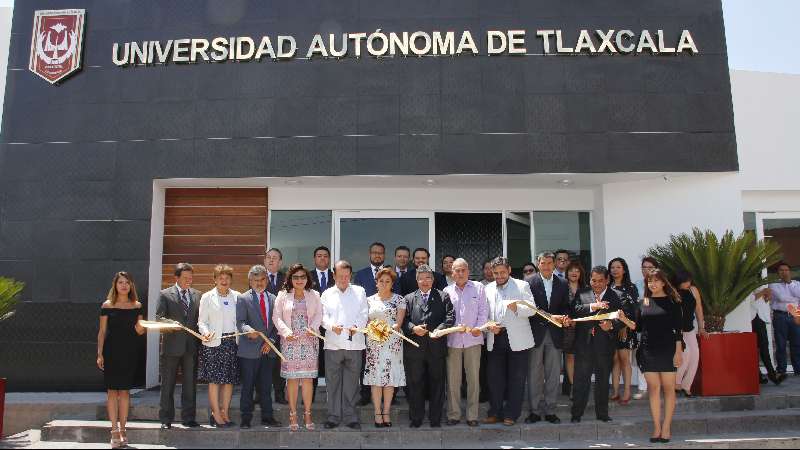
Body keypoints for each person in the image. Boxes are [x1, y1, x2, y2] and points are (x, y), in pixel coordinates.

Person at [625, 269, 684, 443]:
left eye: (656, 281)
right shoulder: (643, 302)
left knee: (668, 388)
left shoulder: (673, 301)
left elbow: (678, 329)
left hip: (668, 349)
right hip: (647, 350)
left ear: (664, 282)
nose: (653, 284)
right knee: (654, 388)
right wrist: (623, 319)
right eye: (649, 281)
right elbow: (637, 327)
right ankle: (657, 428)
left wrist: (678, 351)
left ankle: (666, 428)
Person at [484, 257, 536, 427]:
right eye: (496, 273)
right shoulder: (487, 288)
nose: (499, 276)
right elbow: (484, 313)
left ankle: (511, 414)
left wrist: (516, 307)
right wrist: (489, 325)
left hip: (517, 338)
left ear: (509, 270)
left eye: (502, 272)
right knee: (494, 378)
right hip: (495, 337)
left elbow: (532, 309)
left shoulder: (522, 285)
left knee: (517, 378)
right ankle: (495, 412)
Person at [97, 272, 145, 449]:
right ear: (115, 285)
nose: (124, 285)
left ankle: (123, 429)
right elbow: (102, 332)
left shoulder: (137, 305)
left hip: (130, 353)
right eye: (121, 282)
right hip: (111, 352)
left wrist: (144, 327)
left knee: (124, 392)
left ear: (131, 285)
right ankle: (114, 431)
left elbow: (139, 331)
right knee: (112, 392)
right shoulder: (107, 305)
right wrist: (100, 353)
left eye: (127, 282)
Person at [403, 265, 455, 428]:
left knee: (437, 383)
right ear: (416, 280)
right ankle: (416, 417)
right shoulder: (408, 298)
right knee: (415, 383)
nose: (425, 281)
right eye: (421, 278)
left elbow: (450, 316)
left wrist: (439, 330)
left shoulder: (443, 296)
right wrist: (412, 328)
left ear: (433, 280)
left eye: (428, 278)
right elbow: (402, 321)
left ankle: (435, 418)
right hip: (415, 349)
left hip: (436, 347)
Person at [274, 264, 323, 431]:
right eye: (296, 277)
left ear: (307, 279)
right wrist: (286, 332)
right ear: (290, 279)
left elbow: (319, 315)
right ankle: (293, 413)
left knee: (308, 379)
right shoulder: (282, 295)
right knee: (293, 380)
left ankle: (308, 413)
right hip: (290, 341)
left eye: (303, 277)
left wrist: (314, 328)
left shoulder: (314, 295)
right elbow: (277, 317)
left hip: (309, 341)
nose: (299, 280)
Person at [570, 265, 622, 424]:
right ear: (589, 279)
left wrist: (612, 325)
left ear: (607, 280)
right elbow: (575, 309)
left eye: (601, 280)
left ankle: (602, 413)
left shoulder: (615, 296)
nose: (597, 284)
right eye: (594, 280)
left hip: (604, 345)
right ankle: (576, 414)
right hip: (584, 344)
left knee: (602, 380)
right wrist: (593, 306)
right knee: (581, 380)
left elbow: (623, 317)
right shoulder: (582, 292)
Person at [321, 260, 369, 430]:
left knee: (351, 382)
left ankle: (350, 416)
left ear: (351, 275)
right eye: (340, 276)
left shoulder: (359, 291)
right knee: (332, 382)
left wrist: (358, 326)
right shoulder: (326, 293)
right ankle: (333, 416)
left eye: (347, 276)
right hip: (333, 343)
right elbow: (323, 316)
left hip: (355, 344)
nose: (343, 279)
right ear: (334, 275)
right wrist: (330, 326)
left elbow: (364, 313)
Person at [526, 252, 571, 425]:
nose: (546, 266)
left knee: (553, 374)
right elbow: (529, 307)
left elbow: (566, 306)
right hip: (535, 333)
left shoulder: (563, 283)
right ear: (538, 264)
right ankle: (535, 411)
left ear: (554, 265)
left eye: (549, 263)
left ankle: (551, 410)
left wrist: (566, 316)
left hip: (555, 333)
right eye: (543, 263)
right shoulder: (529, 282)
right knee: (534, 373)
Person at [156, 263, 201, 430]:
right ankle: (166, 419)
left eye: (191, 278)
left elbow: (200, 321)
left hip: (191, 348)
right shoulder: (165, 295)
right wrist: (170, 323)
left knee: (190, 385)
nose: (189, 281)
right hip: (171, 348)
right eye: (185, 278)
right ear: (176, 278)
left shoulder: (197, 295)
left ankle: (189, 418)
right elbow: (158, 318)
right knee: (167, 384)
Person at [236, 265, 281, 429]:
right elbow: (240, 322)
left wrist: (271, 341)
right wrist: (248, 330)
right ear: (250, 281)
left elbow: (277, 325)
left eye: (262, 279)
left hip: (267, 350)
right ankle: (245, 418)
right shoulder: (242, 298)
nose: (259, 283)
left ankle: (267, 417)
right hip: (249, 350)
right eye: (255, 280)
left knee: (266, 386)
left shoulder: (274, 299)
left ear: (267, 280)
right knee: (248, 386)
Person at [444, 259, 488, 427]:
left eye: (463, 270)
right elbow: (446, 316)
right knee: (453, 380)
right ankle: (454, 414)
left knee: (473, 380)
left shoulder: (479, 288)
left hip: (473, 340)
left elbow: (484, 312)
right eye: (457, 271)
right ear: (452, 273)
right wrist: (454, 328)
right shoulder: (446, 290)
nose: (460, 273)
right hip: (453, 341)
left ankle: (472, 415)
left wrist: (479, 328)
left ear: (468, 271)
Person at [198, 264, 241, 428]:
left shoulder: (237, 296)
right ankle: (215, 414)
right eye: (220, 278)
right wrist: (205, 332)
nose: (224, 281)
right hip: (214, 342)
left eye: (227, 278)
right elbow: (202, 321)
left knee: (229, 380)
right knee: (215, 380)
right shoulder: (207, 297)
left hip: (231, 342)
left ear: (231, 280)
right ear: (215, 280)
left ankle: (225, 412)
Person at [363, 268, 407, 428]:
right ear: (376, 283)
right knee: (376, 379)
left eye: (387, 281)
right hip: (374, 343)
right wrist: (375, 330)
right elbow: (365, 322)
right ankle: (377, 412)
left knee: (389, 379)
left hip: (392, 342)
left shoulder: (399, 299)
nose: (384, 283)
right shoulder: (368, 300)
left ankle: (386, 411)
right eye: (381, 281)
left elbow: (399, 322)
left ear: (392, 284)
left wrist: (391, 328)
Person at [608, 257, 640, 406]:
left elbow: (634, 311)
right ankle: (615, 391)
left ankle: (627, 391)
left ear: (624, 269)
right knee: (614, 360)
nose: (615, 270)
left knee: (624, 360)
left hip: (626, 329)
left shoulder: (631, 288)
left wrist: (625, 327)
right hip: (611, 329)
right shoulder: (607, 287)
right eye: (612, 267)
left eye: (618, 267)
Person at [673, 271, 708, 397]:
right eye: (685, 281)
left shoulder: (693, 290)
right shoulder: (673, 292)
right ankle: (676, 383)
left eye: (689, 281)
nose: (688, 283)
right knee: (685, 355)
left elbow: (698, 308)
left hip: (690, 329)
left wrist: (701, 327)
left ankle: (686, 386)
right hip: (678, 330)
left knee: (695, 356)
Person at [309, 246, 335, 402]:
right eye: (319, 256)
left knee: (331, 365)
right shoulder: (308, 277)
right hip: (313, 328)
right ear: (314, 259)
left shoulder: (336, 276)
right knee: (313, 363)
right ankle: (309, 397)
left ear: (329, 259)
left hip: (332, 328)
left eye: (325, 256)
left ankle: (330, 397)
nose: (322, 258)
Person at [633, 257, 659, 400]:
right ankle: (643, 387)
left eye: (650, 267)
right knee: (642, 357)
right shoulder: (636, 285)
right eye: (644, 267)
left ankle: (656, 386)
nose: (646, 270)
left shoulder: (662, 285)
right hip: (642, 327)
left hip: (659, 328)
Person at [768, 261, 800, 379]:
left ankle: (798, 369)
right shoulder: (773, 285)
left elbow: (799, 294)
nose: (784, 272)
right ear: (778, 273)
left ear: (790, 272)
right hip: (780, 315)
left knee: (797, 344)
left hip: (795, 314)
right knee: (780, 344)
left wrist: (790, 283)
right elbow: (782, 298)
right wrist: (794, 299)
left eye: (786, 270)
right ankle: (782, 369)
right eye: (781, 270)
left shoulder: (796, 284)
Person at [265, 248, 287, 404]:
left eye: (275, 258)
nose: (271, 260)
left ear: (280, 262)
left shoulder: (286, 279)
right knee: (263, 364)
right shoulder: (258, 278)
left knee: (279, 363)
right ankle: (260, 395)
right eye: (268, 257)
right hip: (264, 328)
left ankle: (279, 394)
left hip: (282, 328)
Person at [562, 262, 587, 397]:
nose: (574, 273)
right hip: (567, 327)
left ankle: (581, 386)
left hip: (583, 327)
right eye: (571, 270)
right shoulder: (562, 287)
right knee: (570, 357)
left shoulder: (586, 289)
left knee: (582, 358)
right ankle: (573, 387)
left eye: (577, 270)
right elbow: (560, 305)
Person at [751, 289, 781, 385]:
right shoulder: (746, 284)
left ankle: (770, 374)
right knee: (754, 349)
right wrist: (763, 292)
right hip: (751, 318)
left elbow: (762, 301)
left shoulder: (760, 285)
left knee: (764, 347)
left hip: (760, 318)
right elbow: (751, 299)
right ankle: (761, 375)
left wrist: (767, 297)